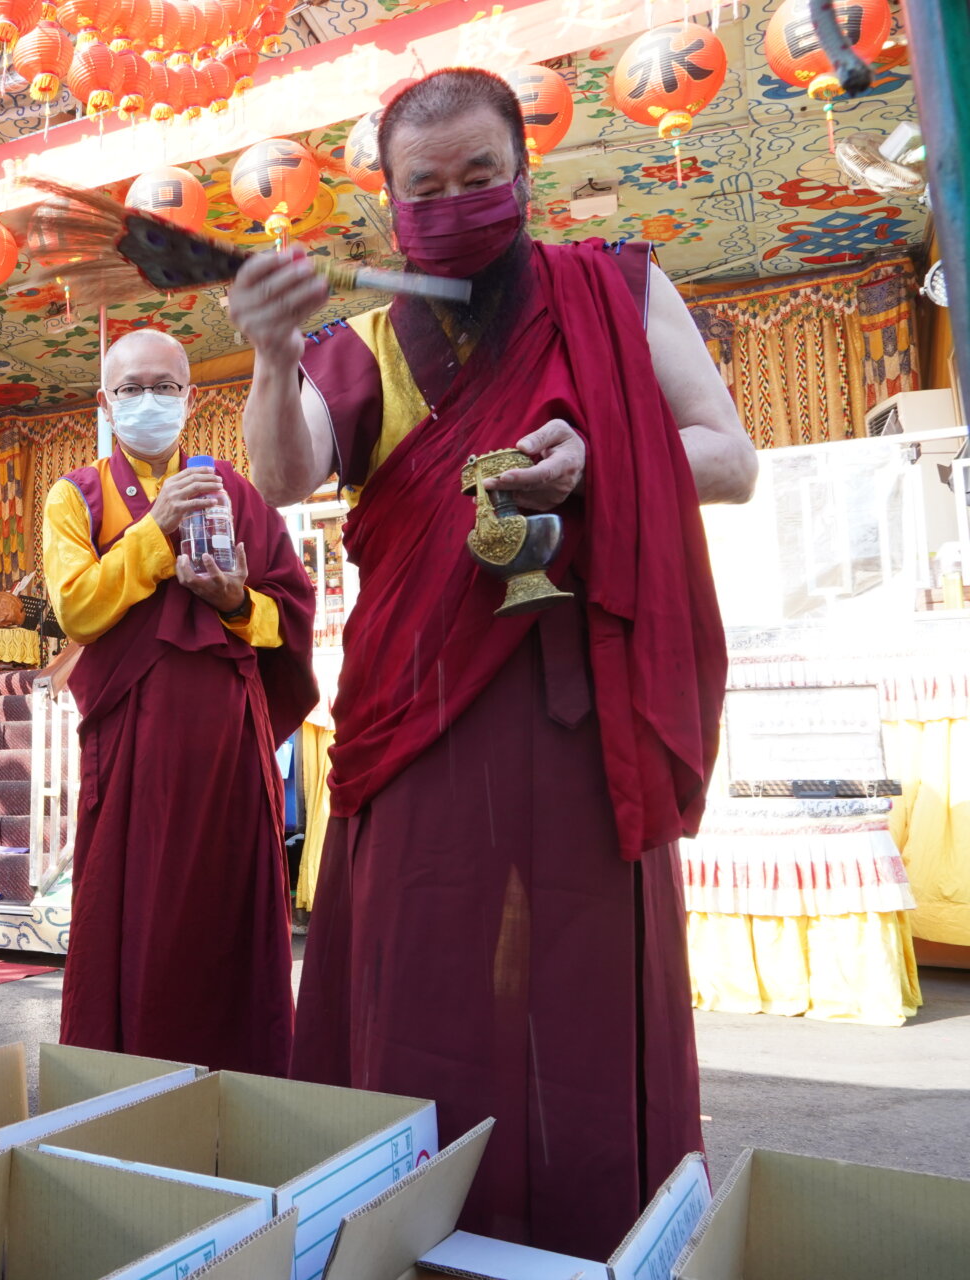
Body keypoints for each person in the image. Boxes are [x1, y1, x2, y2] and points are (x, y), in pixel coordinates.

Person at [229, 68, 756, 1254]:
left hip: (579, 711)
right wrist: (268, 359)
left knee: (579, 987)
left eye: (482, 178)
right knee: (421, 981)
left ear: (525, 176)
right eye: (428, 188)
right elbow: (282, 472)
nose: (458, 202)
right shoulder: (361, 345)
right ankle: (409, 1233)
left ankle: (591, 1234)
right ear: (390, 201)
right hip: (419, 717)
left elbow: (729, 456)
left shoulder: (613, 288)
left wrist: (601, 456)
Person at [42, 329, 316, 1076]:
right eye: (131, 389)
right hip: (136, 746)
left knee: (225, 917)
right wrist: (155, 530)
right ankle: (129, 1081)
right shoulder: (78, 495)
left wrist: (234, 601)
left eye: (165, 386)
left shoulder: (235, 488)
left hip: (229, 743)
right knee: (139, 919)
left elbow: (289, 608)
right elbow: (78, 611)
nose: (148, 401)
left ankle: (241, 1084)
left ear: (190, 397)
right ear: (105, 402)